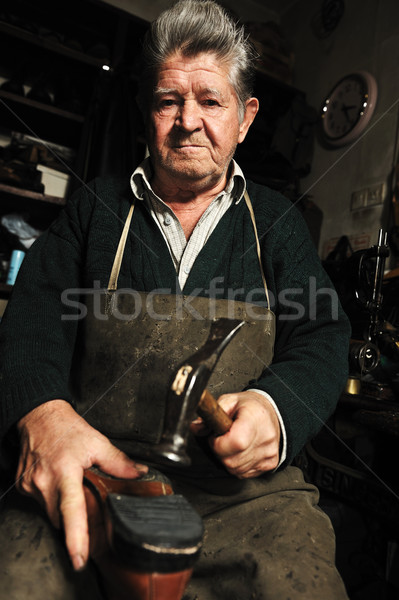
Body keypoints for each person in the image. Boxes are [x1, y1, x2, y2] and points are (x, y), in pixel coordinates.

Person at [0, 1, 351, 598]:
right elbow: (33, 312)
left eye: (211, 101)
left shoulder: (277, 223)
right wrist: (42, 413)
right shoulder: (95, 207)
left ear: (245, 117)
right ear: (149, 116)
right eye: (169, 101)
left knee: (302, 584)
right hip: (97, 477)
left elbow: (322, 335)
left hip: (243, 500)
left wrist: (277, 409)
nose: (189, 121)